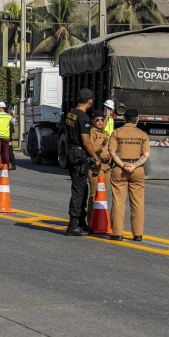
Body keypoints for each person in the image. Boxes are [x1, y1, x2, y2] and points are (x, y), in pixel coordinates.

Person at [108, 108, 150, 241]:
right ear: (137, 120)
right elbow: (146, 154)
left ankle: (117, 233)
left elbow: (112, 152)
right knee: (138, 203)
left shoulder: (117, 132)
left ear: (124, 119)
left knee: (118, 201)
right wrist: (135, 165)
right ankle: (137, 234)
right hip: (137, 170)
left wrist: (123, 165)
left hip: (121, 169)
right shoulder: (142, 134)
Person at [63, 88, 98, 236]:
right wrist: (96, 158)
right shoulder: (83, 118)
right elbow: (86, 141)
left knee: (83, 189)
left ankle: (81, 222)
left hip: (71, 151)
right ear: (89, 102)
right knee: (79, 190)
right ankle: (73, 224)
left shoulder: (70, 113)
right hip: (79, 154)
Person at [87, 109, 112, 221]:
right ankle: (90, 220)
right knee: (94, 195)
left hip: (107, 166)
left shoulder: (105, 133)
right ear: (93, 121)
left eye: (102, 120)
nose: (101, 122)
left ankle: (100, 220)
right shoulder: (92, 133)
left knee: (103, 196)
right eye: (97, 120)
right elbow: (90, 149)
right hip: (97, 165)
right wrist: (102, 145)